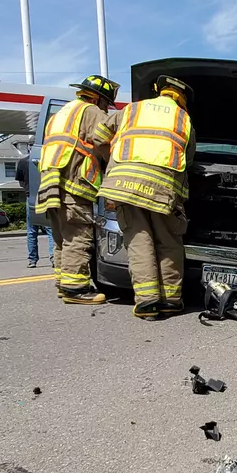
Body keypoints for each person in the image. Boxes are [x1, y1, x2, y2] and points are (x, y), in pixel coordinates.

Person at [92, 75, 195, 319]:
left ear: (158, 91)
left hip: (125, 184)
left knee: (139, 241)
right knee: (168, 241)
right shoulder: (184, 119)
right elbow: (188, 158)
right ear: (182, 99)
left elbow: (98, 136)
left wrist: (113, 159)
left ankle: (147, 301)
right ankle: (171, 300)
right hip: (163, 189)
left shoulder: (132, 109)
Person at [35, 74, 119, 304]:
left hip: (51, 183)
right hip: (74, 183)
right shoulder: (92, 112)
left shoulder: (60, 113)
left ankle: (64, 283)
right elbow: (102, 142)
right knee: (78, 237)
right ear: (100, 99)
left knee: (63, 238)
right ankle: (76, 289)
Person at [15, 154, 54, 269]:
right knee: (50, 229)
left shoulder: (22, 162)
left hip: (31, 198)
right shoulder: (48, 158)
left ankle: (32, 260)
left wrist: (28, 191)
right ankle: (53, 257)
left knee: (32, 231)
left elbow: (21, 182)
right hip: (46, 196)